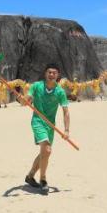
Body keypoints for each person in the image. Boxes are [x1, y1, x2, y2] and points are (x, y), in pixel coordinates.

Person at [23, 63, 70, 195]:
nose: (51, 75)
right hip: (38, 121)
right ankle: (43, 180)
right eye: (49, 72)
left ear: (58, 75)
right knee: (47, 149)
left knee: (45, 152)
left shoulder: (60, 92)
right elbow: (26, 100)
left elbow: (66, 111)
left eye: (54, 73)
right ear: (45, 73)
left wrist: (66, 130)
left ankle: (30, 176)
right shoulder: (37, 86)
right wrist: (23, 99)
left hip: (51, 125)